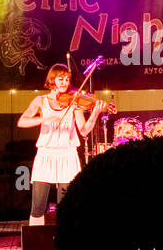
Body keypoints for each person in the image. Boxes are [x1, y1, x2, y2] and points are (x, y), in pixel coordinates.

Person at [17, 62, 104, 226]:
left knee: (65, 206)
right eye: (60, 79)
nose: (64, 83)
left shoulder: (74, 103)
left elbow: (84, 130)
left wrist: (95, 113)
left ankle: (65, 243)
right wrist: (46, 118)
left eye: (66, 79)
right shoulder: (40, 101)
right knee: (38, 206)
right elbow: (22, 122)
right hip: (46, 154)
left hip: (67, 155)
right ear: (52, 80)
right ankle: (36, 245)